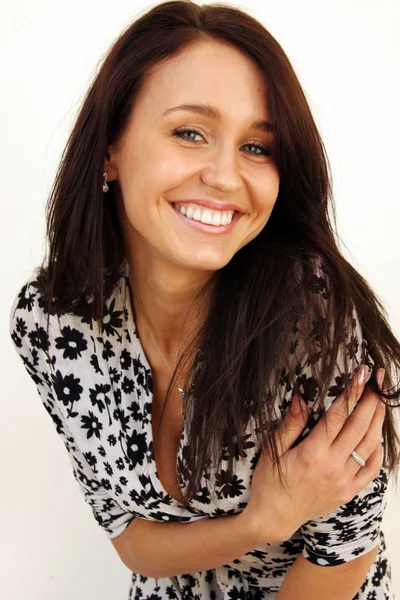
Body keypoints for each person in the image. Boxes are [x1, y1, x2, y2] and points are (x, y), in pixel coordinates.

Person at [9, 1, 400, 598]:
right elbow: (134, 543)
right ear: (110, 147)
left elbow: (343, 559)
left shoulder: (311, 314)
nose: (225, 175)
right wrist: (261, 522)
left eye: (257, 148)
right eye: (190, 132)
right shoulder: (53, 324)